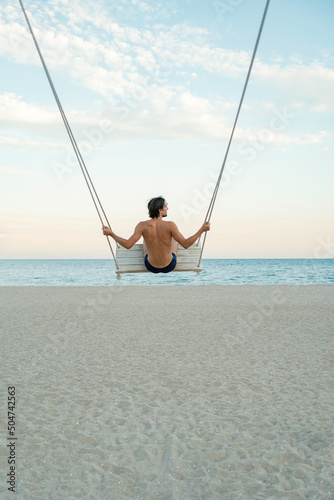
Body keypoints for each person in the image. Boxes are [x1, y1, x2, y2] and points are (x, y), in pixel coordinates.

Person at [102, 196, 210, 274]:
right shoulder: (170, 225)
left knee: (146, 240)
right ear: (160, 210)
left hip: (150, 266)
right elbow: (186, 244)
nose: (167, 208)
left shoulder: (142, 225)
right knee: (174, 240)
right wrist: (202, 229)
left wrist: (111, 233)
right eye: (166, 206)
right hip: (169, 265)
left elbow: (127, 244)